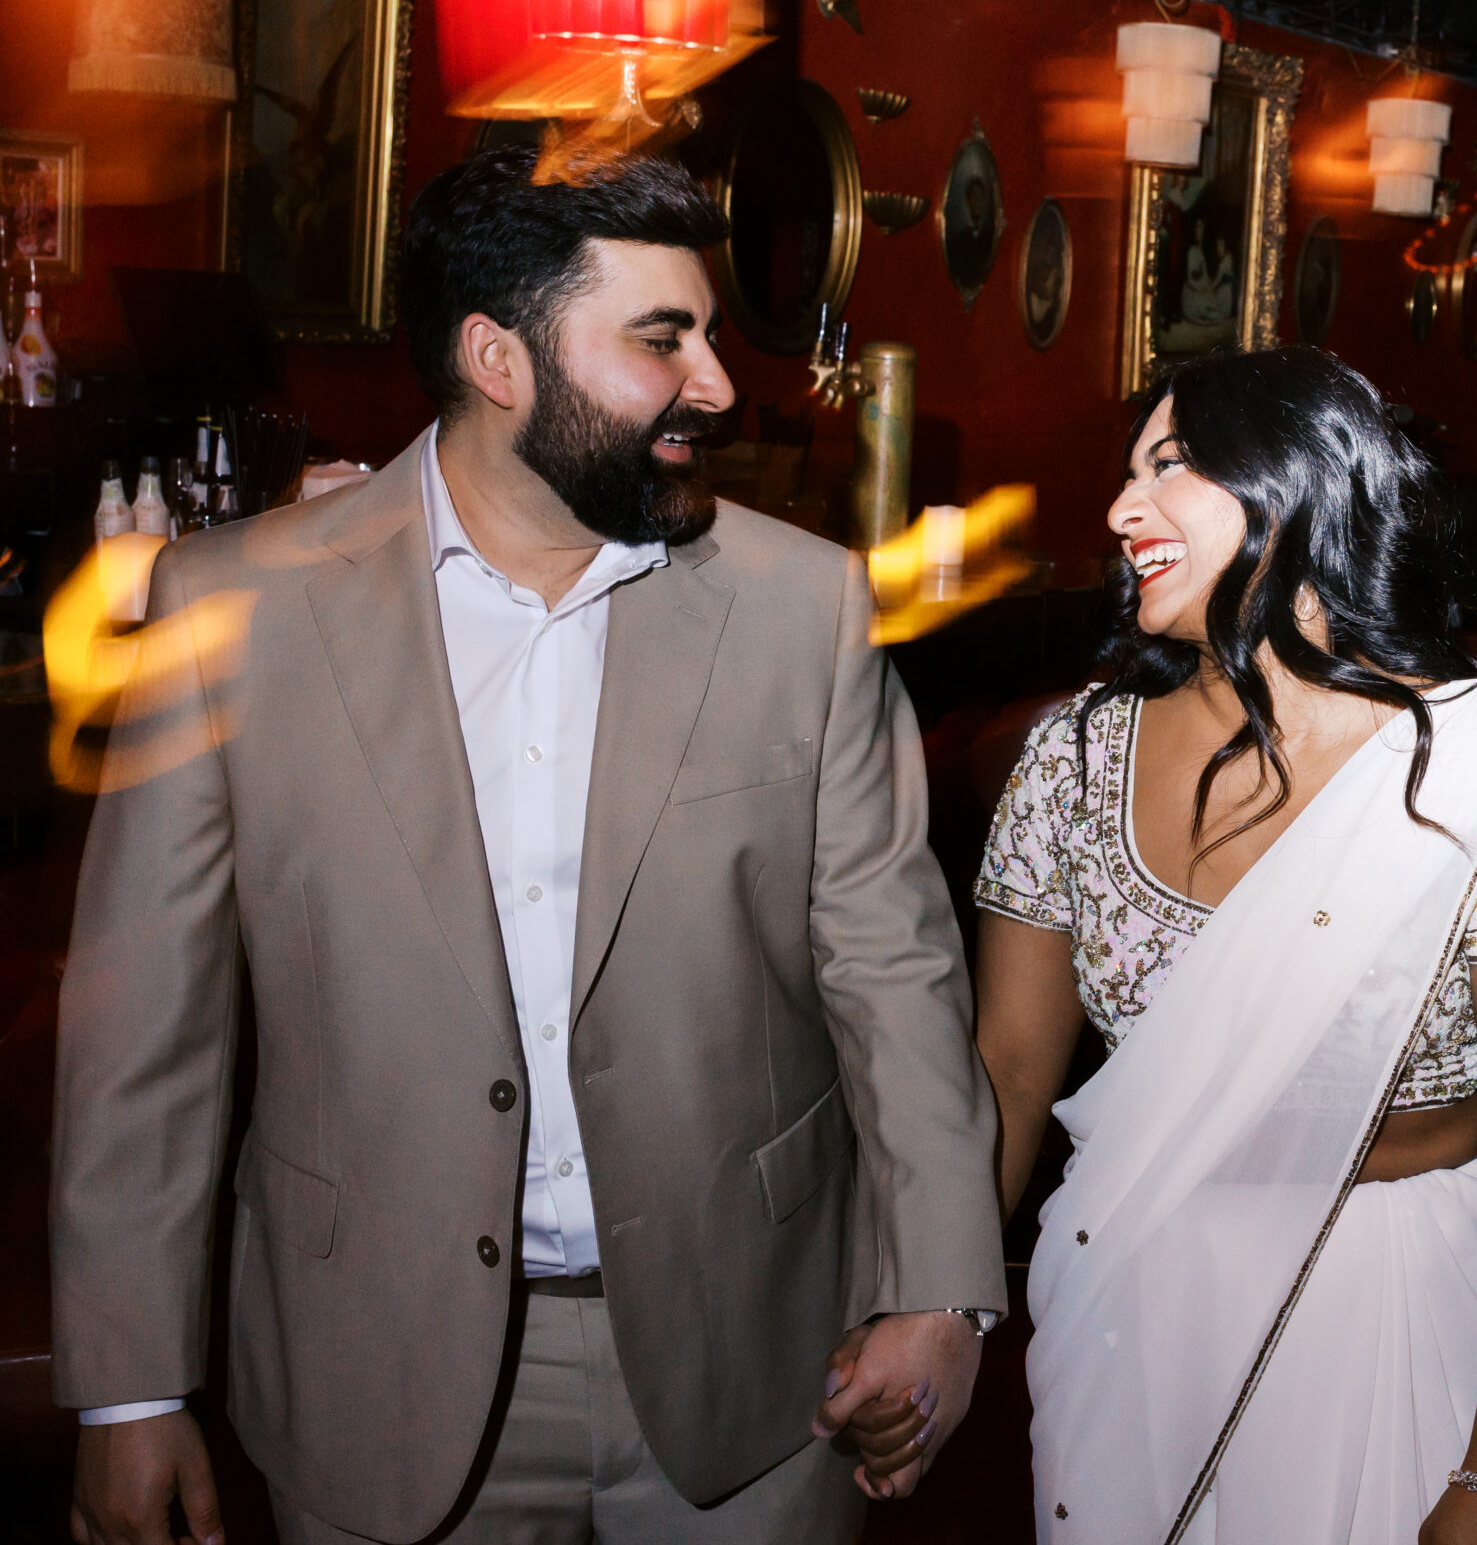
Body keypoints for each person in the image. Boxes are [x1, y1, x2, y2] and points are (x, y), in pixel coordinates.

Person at [52, 145, 1005, 1545]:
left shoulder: (803, 608)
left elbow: (894, 970)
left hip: (751, 1364)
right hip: (373, 1368)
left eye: (711, 334)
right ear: (500, 359)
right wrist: (128, 1391)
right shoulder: (234, 607)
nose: (719, 384)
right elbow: (146, 1031)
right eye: (659, 339)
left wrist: (940, 1285)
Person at [970, 347, 1477, 1544]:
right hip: (1131, 1276)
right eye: (1126, 474)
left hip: (1383, 1294)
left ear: (1300, 485)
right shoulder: (1074, 761)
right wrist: (942, 1305)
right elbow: (1010, 1078)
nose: (1122, 508)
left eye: (1169, 467)